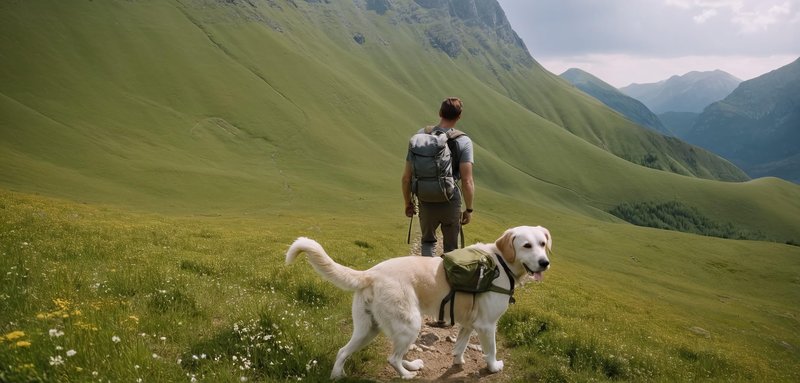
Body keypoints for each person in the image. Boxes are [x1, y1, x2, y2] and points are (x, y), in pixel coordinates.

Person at [402, 97, 474, 256]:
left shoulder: (421, 136)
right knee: (451, 249)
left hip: (425, 198)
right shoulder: (464, 141)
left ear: (440, 113)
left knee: (427, 242)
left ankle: (427, 279)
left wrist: (408, 203)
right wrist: (468, 209)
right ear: (459, 116)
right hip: (450, 198)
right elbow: (467, 181)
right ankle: (447, 279)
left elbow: (406, 178)